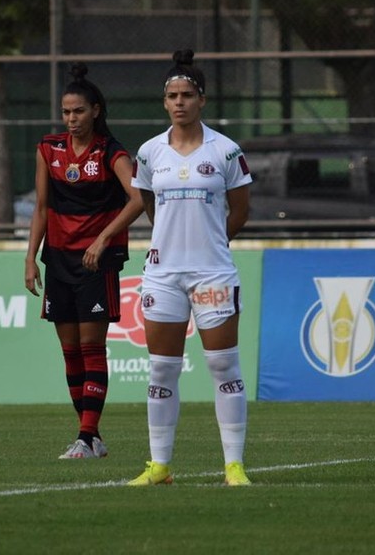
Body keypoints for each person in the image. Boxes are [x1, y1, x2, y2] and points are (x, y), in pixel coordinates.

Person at [127, 49, 253, 486]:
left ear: (202, 99)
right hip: (163, 274)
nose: (179, 102)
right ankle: (159, 466)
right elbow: (146, 202)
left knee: (223, 366)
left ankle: (234, 465)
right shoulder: (149, 152)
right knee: (162, 369)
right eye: (172, 96)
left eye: (187, 94)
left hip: (212, 273)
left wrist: (210, 243)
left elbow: (239, 211)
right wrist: (171, 243)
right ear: (165, 102)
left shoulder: (226, 150)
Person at [24, 62, 143, 459]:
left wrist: (104, 239)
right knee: (70, 350)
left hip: (95, 262)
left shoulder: (111, 152)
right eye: (66, 112)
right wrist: (30, 259)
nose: (71, 119)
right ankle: (89, 435)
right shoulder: (48, 148)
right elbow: (41, 207)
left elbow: (139, 197)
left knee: (92, 347)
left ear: (96, 111)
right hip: (58, 259)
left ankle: (88, 435)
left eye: (78, 111)